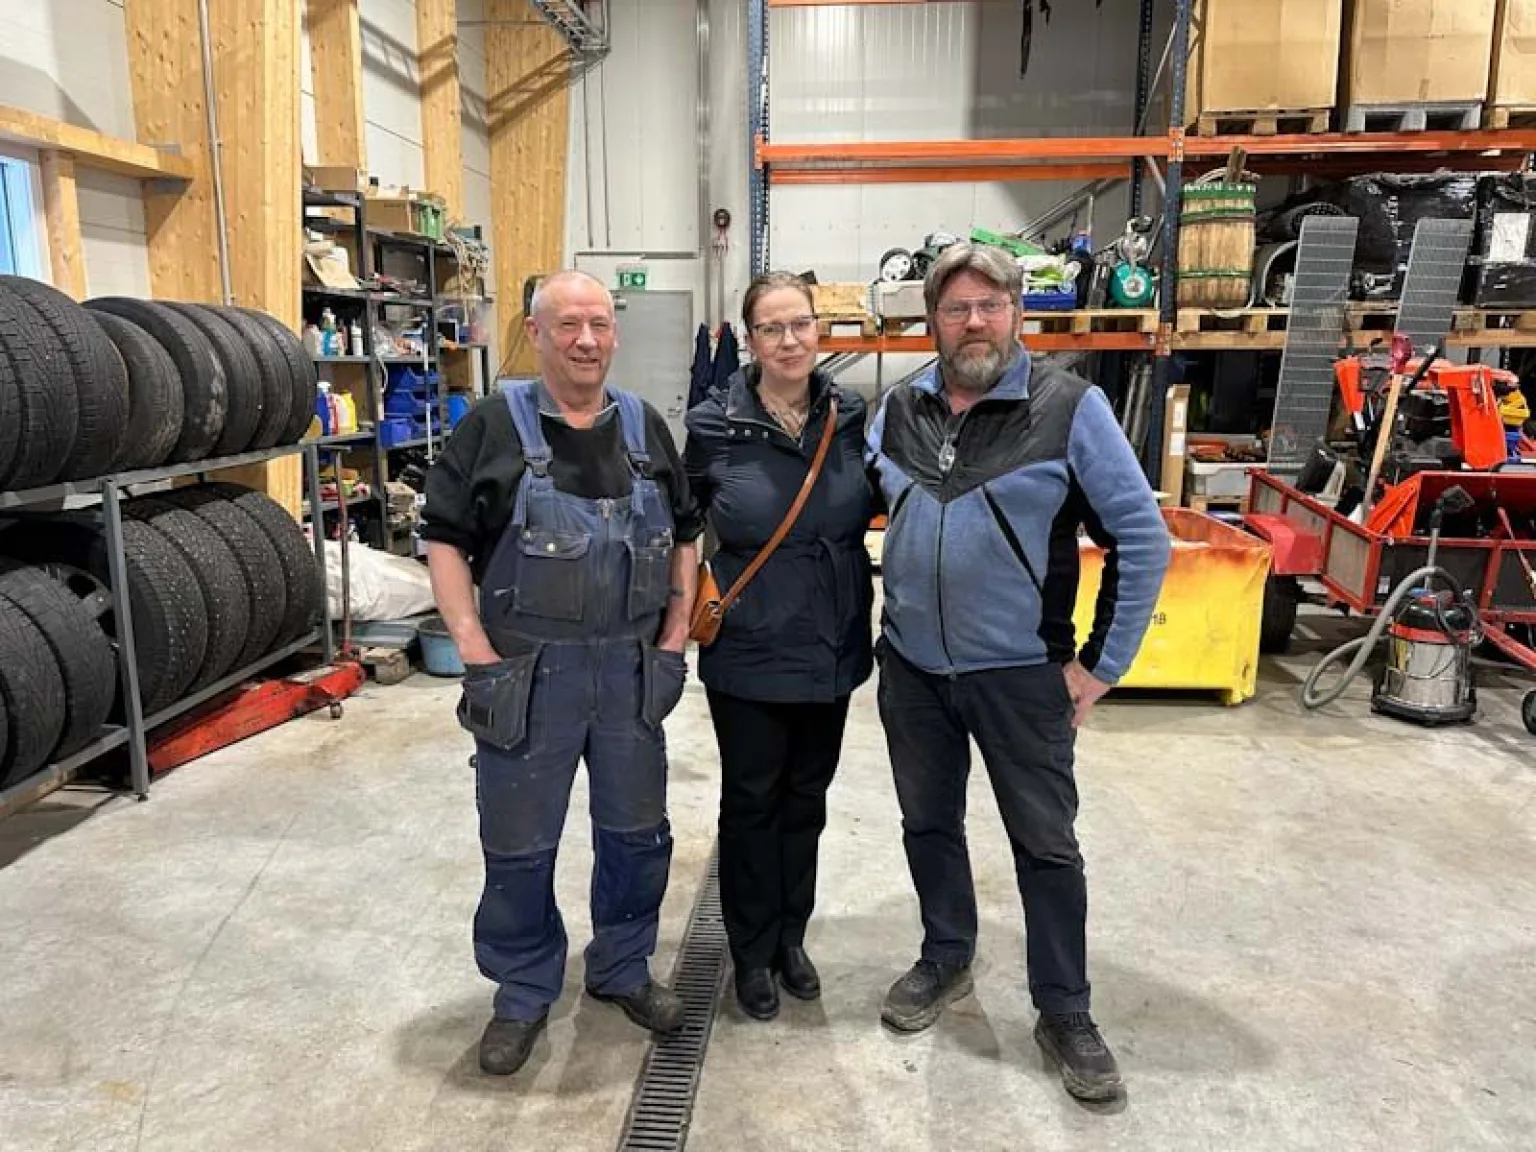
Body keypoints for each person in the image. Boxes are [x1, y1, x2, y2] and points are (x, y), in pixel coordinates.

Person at [864, 243, 1171, 1101]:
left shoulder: (1070, 409)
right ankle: (946, 954)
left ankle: (1064, 1008)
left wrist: (1101, 666)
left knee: (1044, 844)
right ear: (933, 321)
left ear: (1017, 316)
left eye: (990, 306)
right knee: (928, 823)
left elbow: (1142, 539)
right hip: (913, 669)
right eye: (957, 308)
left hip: (1021, 674)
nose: (975, 323)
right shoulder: (897, 412)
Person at [422, 270, 703, 1077]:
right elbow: (444, 538)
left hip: (630, 673)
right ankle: (521, 991)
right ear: (536, 333)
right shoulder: (493, 427)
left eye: (599, 324)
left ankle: (622, 968)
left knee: (638, 836)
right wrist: (473, 646)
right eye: (568, 325)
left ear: (614, 333)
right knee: (518, 845)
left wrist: (675, 633)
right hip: (528, 677)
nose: (586, 341)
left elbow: (687, 535)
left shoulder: (645, 427)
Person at [683, 273, 874, 1021]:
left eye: (801, 324)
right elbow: (682, 527)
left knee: (807, 802)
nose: (790, 341)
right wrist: (673, 618)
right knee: (752, 802)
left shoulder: (850, 414)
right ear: (750, 339)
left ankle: (792, 936)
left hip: (831, 645)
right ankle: (752, 950)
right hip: (751, 650)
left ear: (818, 329)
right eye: (772, 328)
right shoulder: (713, 425)